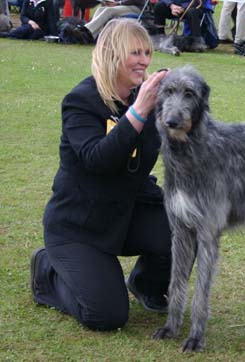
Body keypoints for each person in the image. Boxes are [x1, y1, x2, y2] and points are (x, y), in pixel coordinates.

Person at [30, 18, 172, 331]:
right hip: (79, 226)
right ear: (112, 53)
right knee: (106, 316)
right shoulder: (81, 101)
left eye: (147, 52)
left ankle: (146, 285)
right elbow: (98, 160)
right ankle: (47, 271)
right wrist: (138, 113)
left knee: (183, 223)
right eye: (135, 52)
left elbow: (146, 160)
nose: (145, 60)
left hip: (125, 210)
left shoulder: (145, 99)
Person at [63, 0, 145, 44]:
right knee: (100, 9)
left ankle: (87, 31)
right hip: (122, 6)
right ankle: (91, 34)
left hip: (136, 8)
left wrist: (118, 3)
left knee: (108, 11)